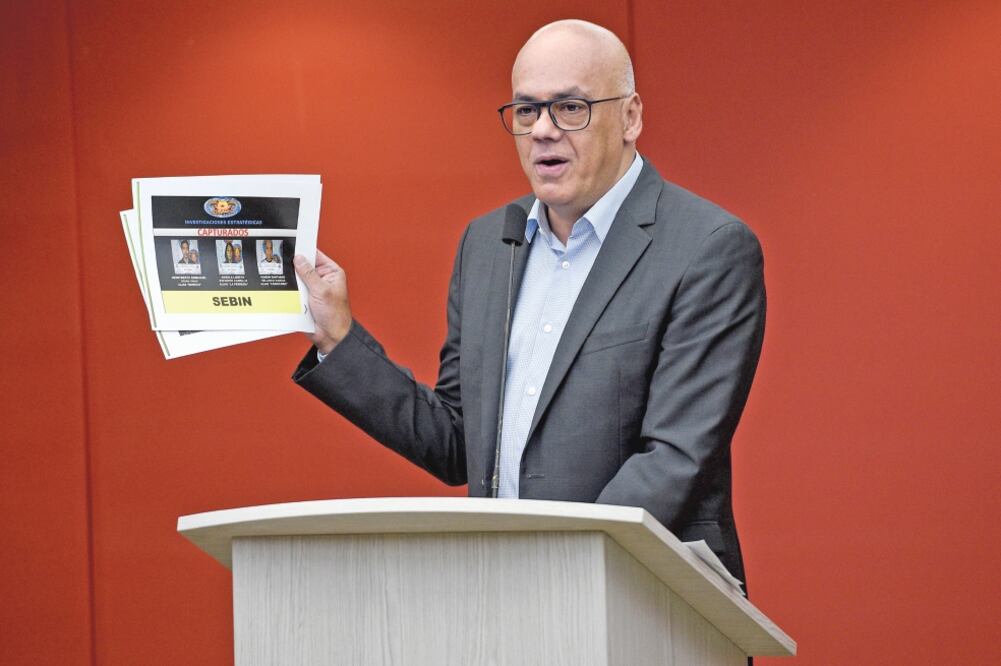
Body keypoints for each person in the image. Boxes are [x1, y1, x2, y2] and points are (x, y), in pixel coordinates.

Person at [290, 19, 765, 588]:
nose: (542, 130)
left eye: (570, 108)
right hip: (511, 599)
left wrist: (554, 565)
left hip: (648, 599)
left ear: (631, 116)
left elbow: (675, 458)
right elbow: (457, 442)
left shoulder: (707, 247)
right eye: (525, 110)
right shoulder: (489, 243)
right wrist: (338, 339)